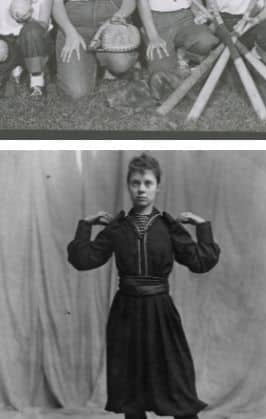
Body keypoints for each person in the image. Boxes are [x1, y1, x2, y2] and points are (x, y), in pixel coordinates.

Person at [66, 153, 219, 419]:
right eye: (135, 183)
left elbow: (200, 262)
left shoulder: (169, 227)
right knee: (130, 388)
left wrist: (203, 227)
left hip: (161, 312)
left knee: (176, 382)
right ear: (128, 185)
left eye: (148, 183)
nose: (141, 189)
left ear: (158, 186)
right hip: (125, 314)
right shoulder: (117, 229)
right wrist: (85, 226)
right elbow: (83, 259)